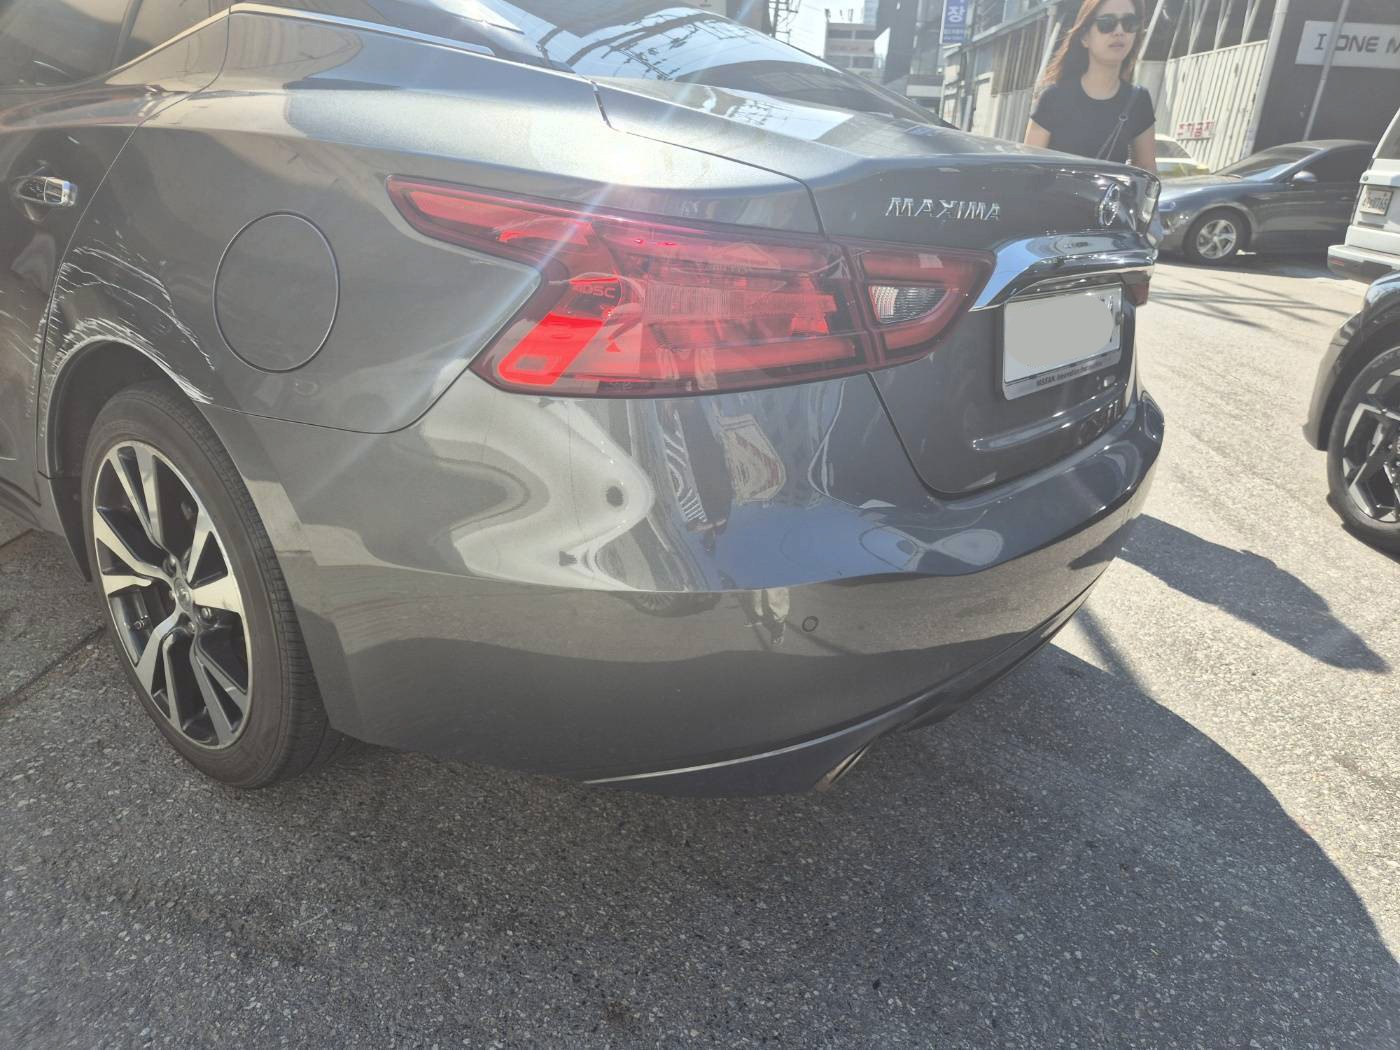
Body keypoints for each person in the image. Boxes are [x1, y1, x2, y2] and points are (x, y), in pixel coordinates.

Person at [1025, 0, 1157, 174]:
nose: (1119, 31)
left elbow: (1147, 170)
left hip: (1110, 193)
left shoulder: (1138, 100)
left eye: (1129, 23)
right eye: (1107, 23)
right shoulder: (1053, 98)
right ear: (1085, 37)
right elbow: (1028, 170)